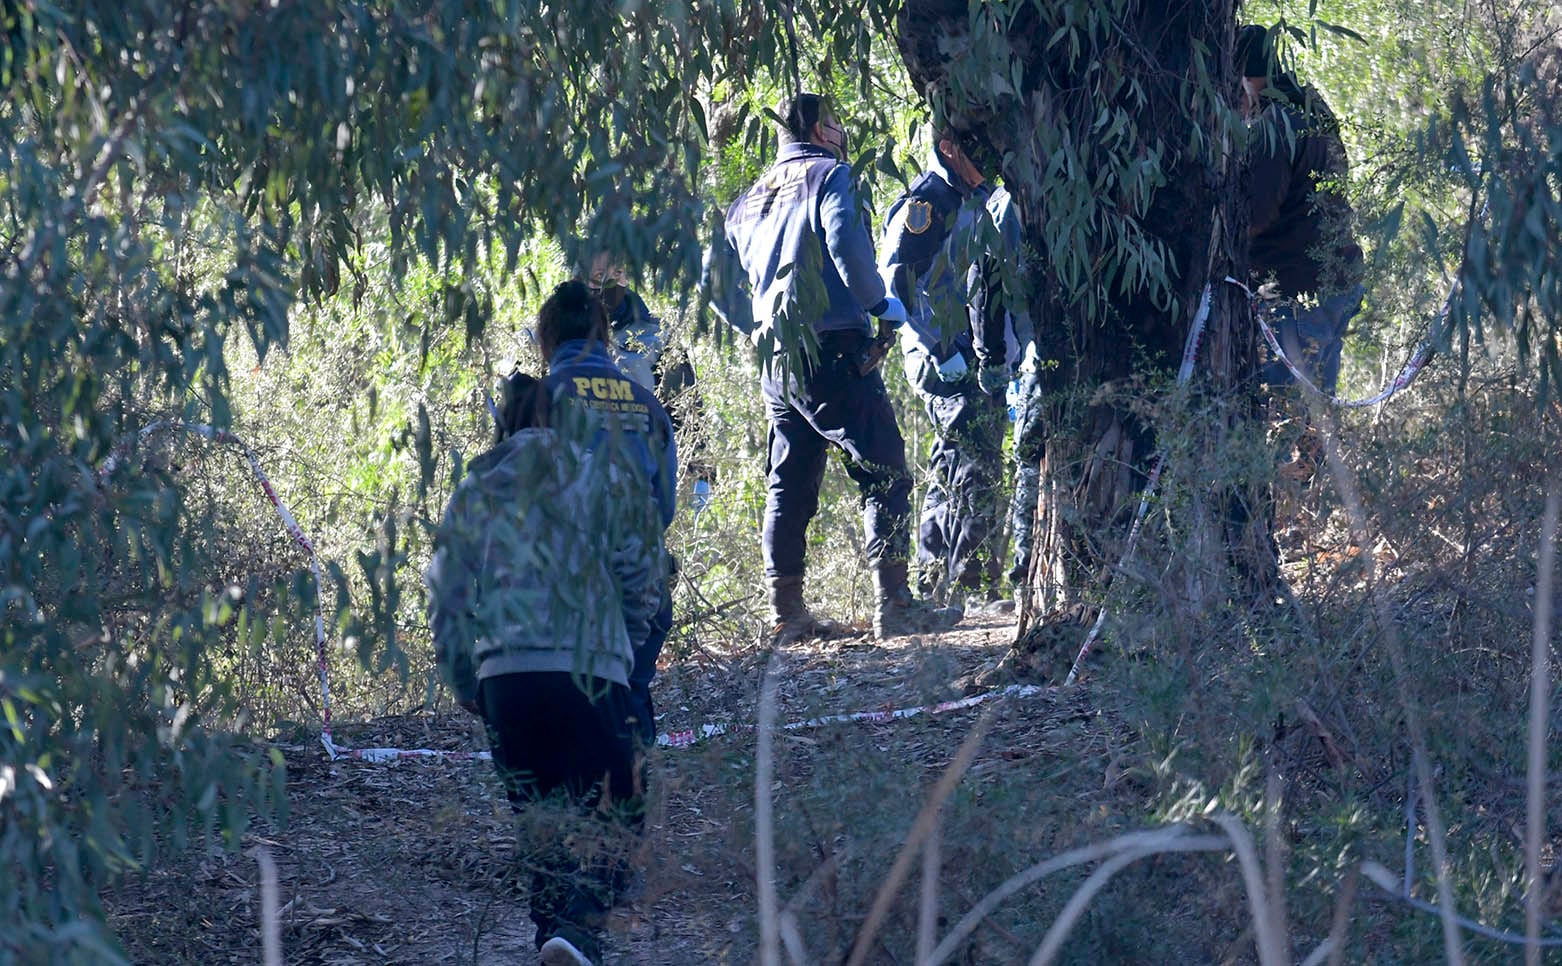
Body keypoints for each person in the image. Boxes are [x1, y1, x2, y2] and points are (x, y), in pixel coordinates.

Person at [428, 284, 667, 966]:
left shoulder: (475, 486)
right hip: (591, 670)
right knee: (612, 809)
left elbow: (446, 588)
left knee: (539, 825)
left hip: (507, 680)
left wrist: (463, 676)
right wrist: (622, 638)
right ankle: (579, 932)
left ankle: (552, 940)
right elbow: (641, 571)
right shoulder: (599, 475)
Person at [703, 92, 961, 641]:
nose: (843, 134)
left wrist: (756, 325)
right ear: (821, 129)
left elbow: (715, 283)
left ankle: (787, 613)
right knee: (884, 466)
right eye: (837, 124)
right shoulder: (829, 176)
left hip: (778, 358)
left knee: (789, 478)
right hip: (834, 348)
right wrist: (880, 306)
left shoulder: (745, 199)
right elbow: (846, 241)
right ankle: (894, 604)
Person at [497, 281, 677, 744]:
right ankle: (631, 793)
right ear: (606, 337)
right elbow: (665, 507)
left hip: (557, 589)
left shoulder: (533, 401)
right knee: (629, 701)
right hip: (639, 584)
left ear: (545, 339)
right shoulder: (647, 404)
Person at [878, 132, 1020, 608]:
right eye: (972, 150)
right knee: (976, 459)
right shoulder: (929, 202)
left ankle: (936, 577)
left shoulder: (969, 196)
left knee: (953, 461)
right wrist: (943, 350)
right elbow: (899, 284)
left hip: (971, 349)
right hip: (945, 355)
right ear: (947, 149)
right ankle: (971, 586)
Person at [1239, 24, 1365, 400]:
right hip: (1338, 281)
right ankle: (1314, 460)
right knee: (1316, 413)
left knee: (1285, 412)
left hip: (1297, 294)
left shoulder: (1274, 126)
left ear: (1243, 77)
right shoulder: (1311, 103)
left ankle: (1290, 461)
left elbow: (1254, 218)